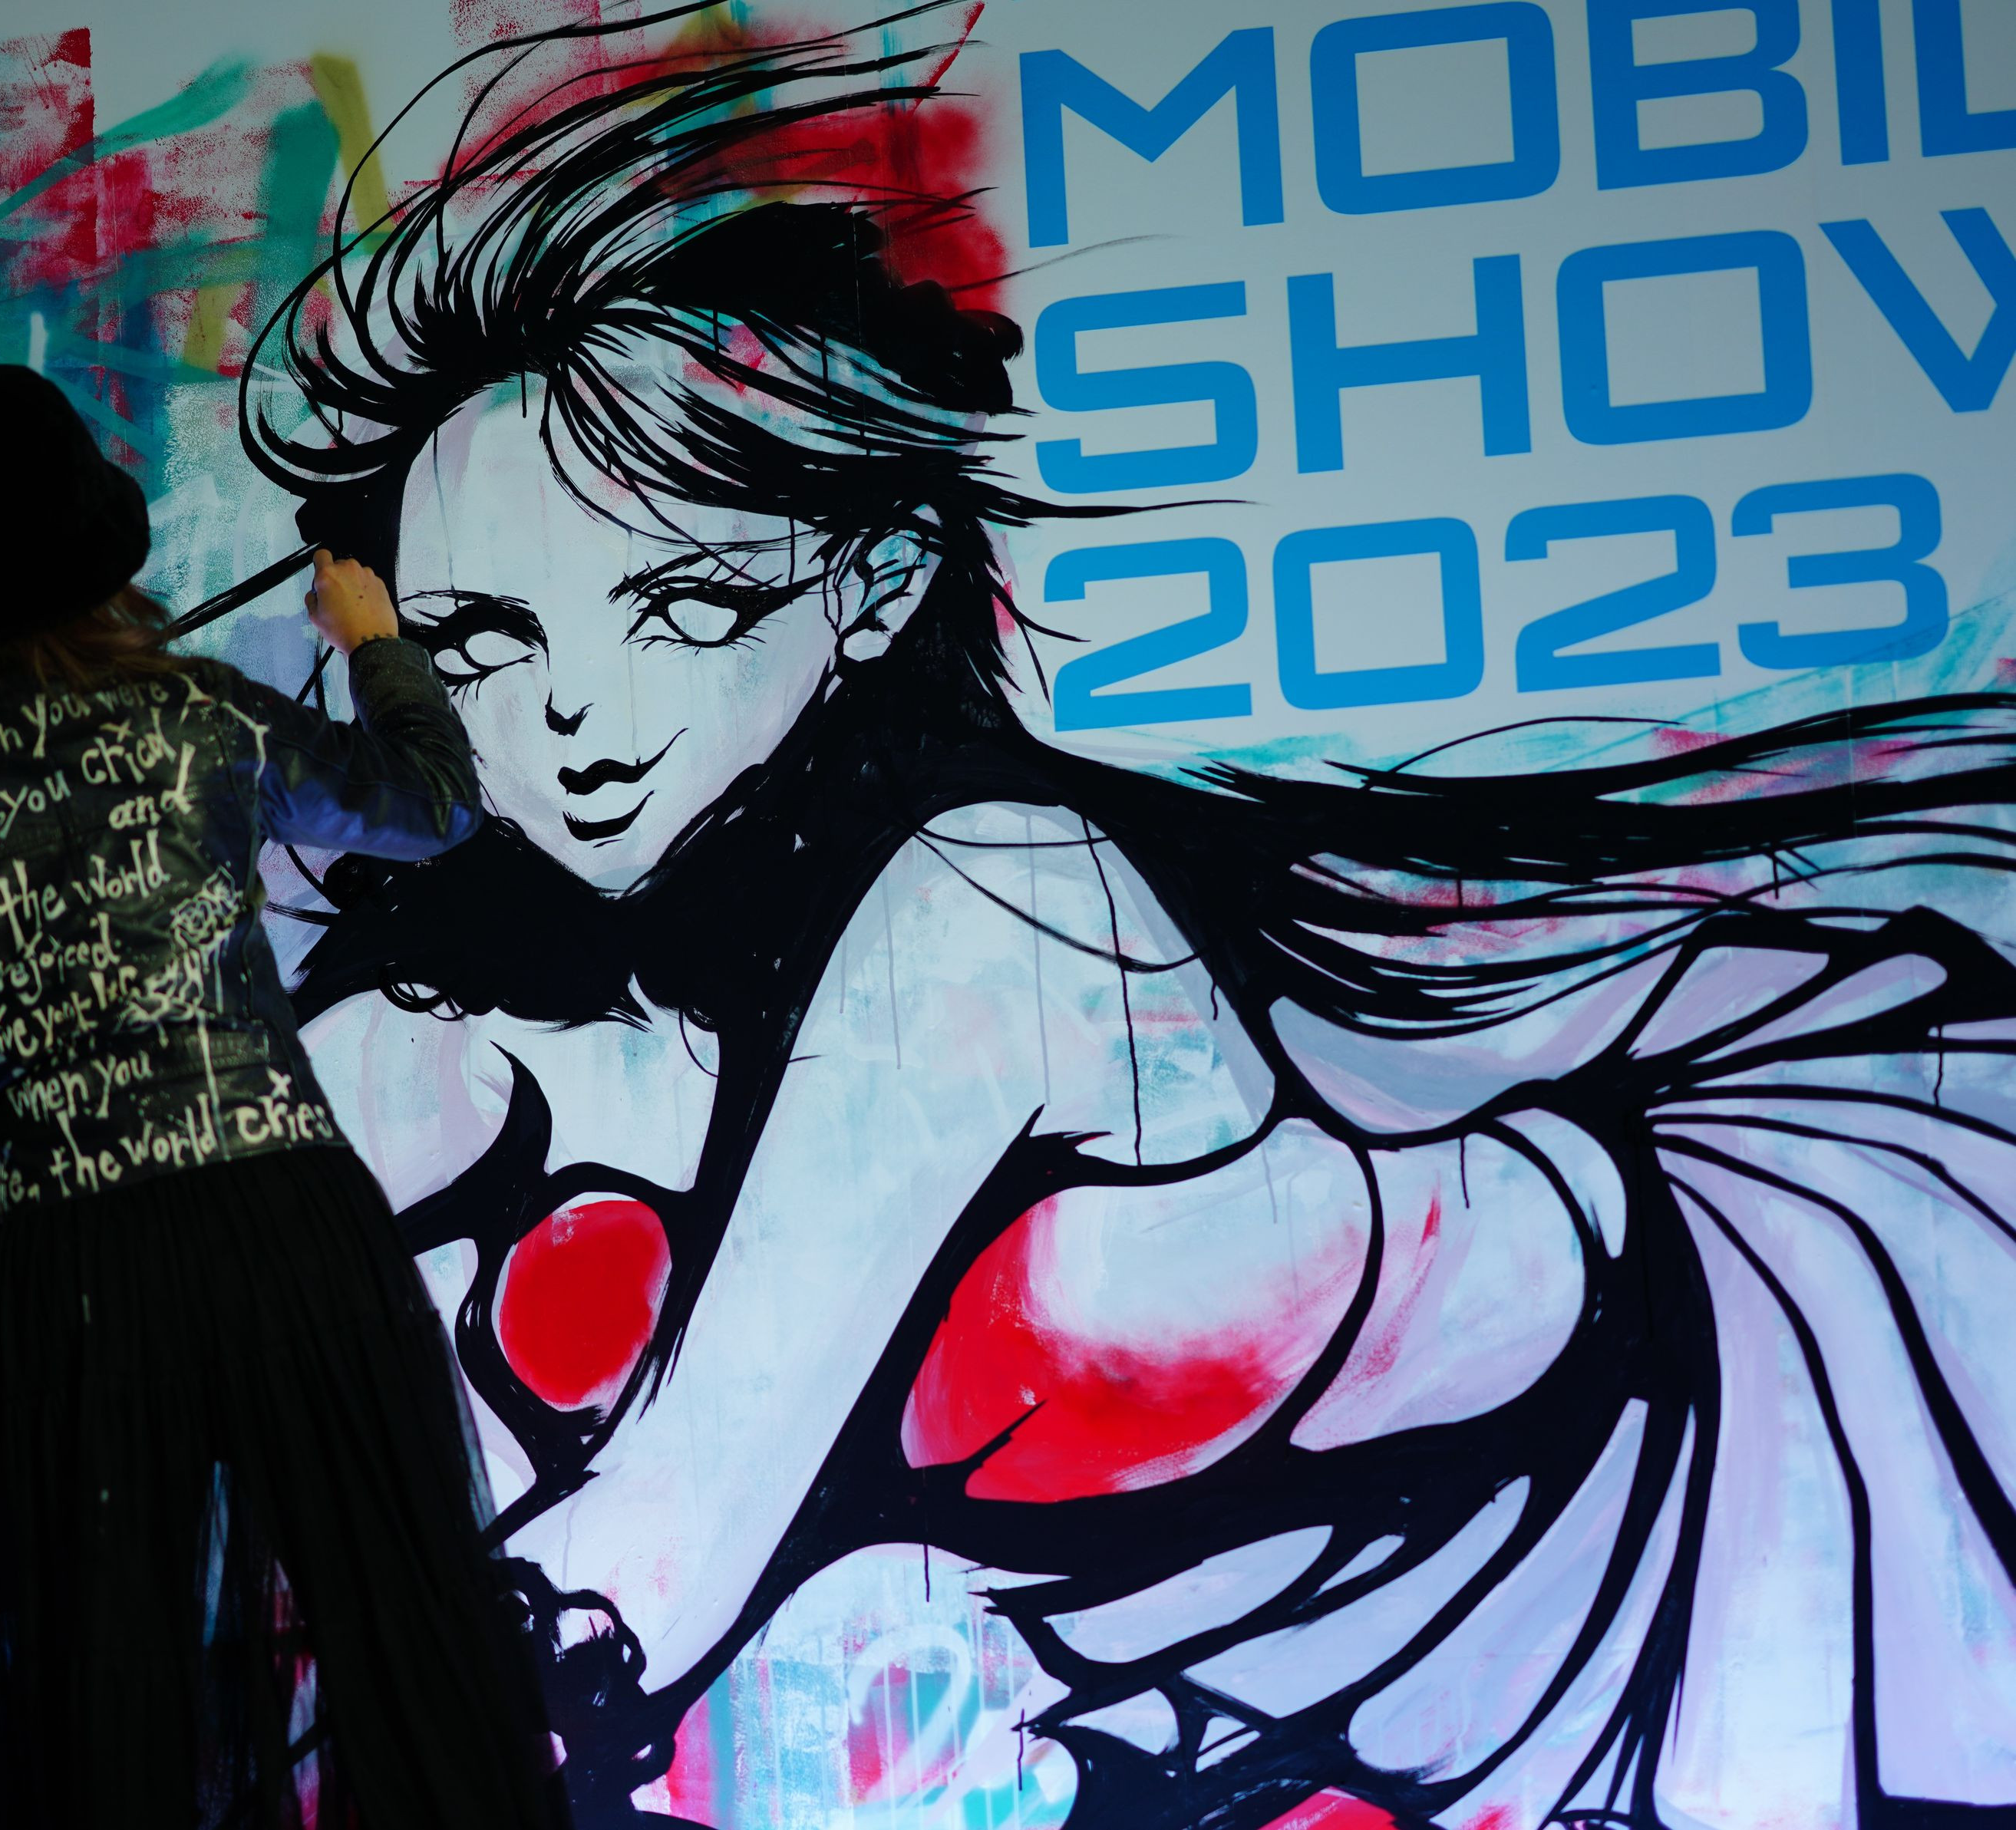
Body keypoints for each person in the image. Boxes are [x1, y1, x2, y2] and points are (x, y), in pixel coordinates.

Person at [239, 14, 2016, 1822]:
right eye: (477, 643)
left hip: (1614, 1589)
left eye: (681, 605)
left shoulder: (994, 904)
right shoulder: (429, 1034)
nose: (569, 714)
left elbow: (661, 1545)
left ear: (877, 588)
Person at [0, 363, 570, 1829]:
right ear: (88, 536)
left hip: (81, 1285)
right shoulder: (193, 716)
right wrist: (376, 643)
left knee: (110, 1718)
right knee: (405, 1649)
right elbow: (435, 801)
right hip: (290, 1235)